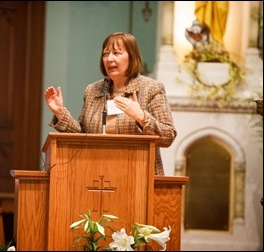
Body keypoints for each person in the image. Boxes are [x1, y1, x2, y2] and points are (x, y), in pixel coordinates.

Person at [44, 32, 176, 175]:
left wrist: (142, 118)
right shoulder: (93, 90)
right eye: (106, 54)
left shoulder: (151, 88)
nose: (109, 59)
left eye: (116, 53)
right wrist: (60, 112)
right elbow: (82, 136)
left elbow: (168, 135)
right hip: (96, 175)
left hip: (139, 177)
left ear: (132, 57)